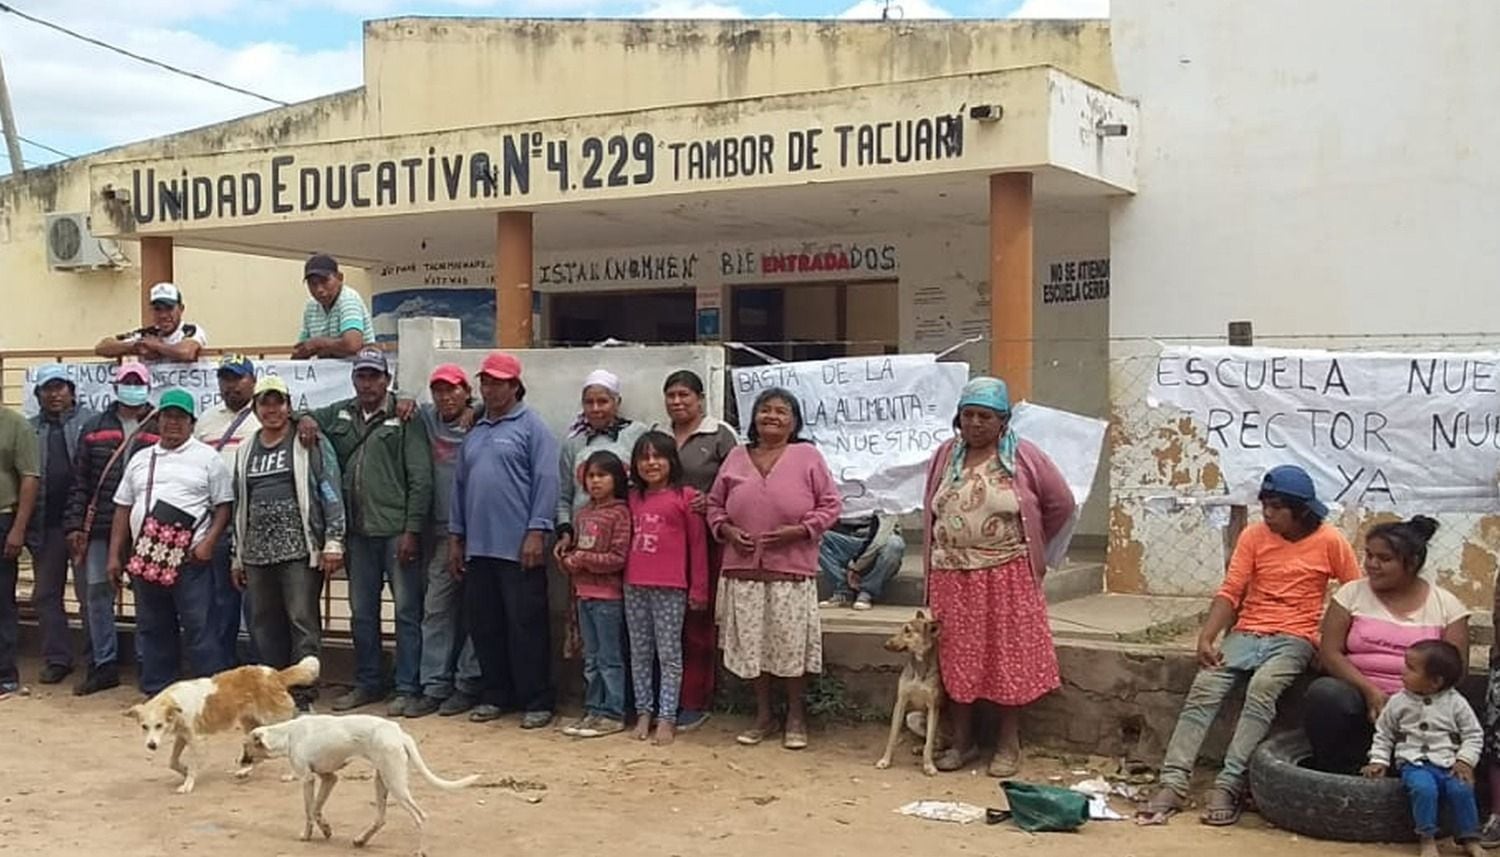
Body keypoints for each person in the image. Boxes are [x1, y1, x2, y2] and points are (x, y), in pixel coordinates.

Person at [1136, 464, 1360, 826]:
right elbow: (1231, 590)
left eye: (1275, 507)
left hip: (1295, 637)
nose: (1267, 514)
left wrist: (1332, 647)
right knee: (1205, 687)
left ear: (1299, 510)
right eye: (1264, 506)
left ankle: (1229, 783)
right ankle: (1173, 783)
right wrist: (1207, 636)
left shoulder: (1331, 541)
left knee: (1263, 688)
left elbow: (1353, 596)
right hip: (1247, 632)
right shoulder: (1254, 536)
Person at [922, 376, 1075, 777]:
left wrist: (1033, 543)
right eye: (967, 415)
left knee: (1008, 657)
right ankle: (963, 740)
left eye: (984, 417)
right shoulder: (945, 456)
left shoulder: (1024, 456)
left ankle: (1008, 743)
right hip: (951, 576)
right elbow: (931, 507)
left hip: (1006, 574)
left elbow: (1061, 503)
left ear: (1003, 421)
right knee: (956, 658)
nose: (975, 423)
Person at [707, 387, 842, 751]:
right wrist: (728, 531)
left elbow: (831, 506)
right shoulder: (736, 456)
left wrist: (801, 530)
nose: (772, 417)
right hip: (744, 569)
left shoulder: (807, 456)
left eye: (782, 412)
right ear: (753, 418)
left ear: (794, 422)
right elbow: (715, 505)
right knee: (755, 647)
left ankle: (796, 716)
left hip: (791, 569)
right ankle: (764, 716)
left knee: (789, 645)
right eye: (765, 410)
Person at [299, 347, 431, 715]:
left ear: (387, 380)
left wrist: (412, 529)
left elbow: (420, 476)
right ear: (354, 379)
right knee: (361, 613)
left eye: (375, 376)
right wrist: (308, 418)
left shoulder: (405, 416)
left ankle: (408, 686)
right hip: (357, 533)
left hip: (395, 531)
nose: (368, 383)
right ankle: (369, 681)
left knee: (406, 611)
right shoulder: (341, 412)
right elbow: (299, 414)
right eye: (362, 376)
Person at [1303, 516, 1468, 774]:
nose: (1372, 565)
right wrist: (1370, 691)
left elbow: (1453, 671)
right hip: (1358, 699)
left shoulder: (1447, 607)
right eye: (1369, 555)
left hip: (1420, 708)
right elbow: (1330, 652)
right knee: (1325, 693)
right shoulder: (1351, 595)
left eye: (1384, 559)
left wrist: (1408, 701)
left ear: (1412, 563)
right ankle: (1335, 775)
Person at [450, 351, 560, 729]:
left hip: (519, 548)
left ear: (515, 386)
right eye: (485, 382)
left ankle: (537, 699)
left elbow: (547, 482)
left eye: (498, 382)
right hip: (479, 547)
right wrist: (456, 536)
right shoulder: (476, 430)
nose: (490, 388)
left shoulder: (533, 428)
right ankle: (496, 694)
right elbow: (460, 487)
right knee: (485, 625)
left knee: (526, 625)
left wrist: (536, 531)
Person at [108, 388, 233, 696]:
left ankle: (209, 693)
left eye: (180, 417)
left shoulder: (207, 458)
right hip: (147, 556)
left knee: (199, 624)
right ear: (158, 420)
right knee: (152, 624)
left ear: (191, 422)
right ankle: (158, 689)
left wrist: (208, 544)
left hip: (190, 559)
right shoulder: (140, 458)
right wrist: (115, 554)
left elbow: (224, 507)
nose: (173, 423)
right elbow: (123, 507)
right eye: (167, 416)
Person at [231, 376, 345, 711]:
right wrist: (237, 557)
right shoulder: (245, 449)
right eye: (265, 403)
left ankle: (303, 696)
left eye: (278, 402)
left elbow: (329, 487)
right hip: (256, 553)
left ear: (289, 406)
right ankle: (272, 695)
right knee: (264, 625)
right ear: (255, 408)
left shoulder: (308, 440)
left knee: (302, 621)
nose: (271, 409)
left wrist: (333, 539)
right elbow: (240, 504)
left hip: (299, 549)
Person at [63, 363, 158, 695]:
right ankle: (103, 665)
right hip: (101, 526)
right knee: (97, 594)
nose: (132, 386)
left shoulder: (161, 425)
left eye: (138, 382)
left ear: (147, 386)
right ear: (116, 386)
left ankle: (150, 663)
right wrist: (75, 524)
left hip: (148, 527)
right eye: (126, 381)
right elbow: (80, 484)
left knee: (148, 596)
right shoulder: (94, 427)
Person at [656, 369, 738, 731]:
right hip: (663, 542)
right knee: (663, 622)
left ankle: (695, 700)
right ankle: (663, 699)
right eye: (671, 395)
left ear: (700, 398)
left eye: (684, 395)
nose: (677, 402)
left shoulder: (719, 435)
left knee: (697, 619)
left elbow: (738, 482)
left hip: (704, 540)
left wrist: (715, 503)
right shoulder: (657, 435)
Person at [402, 364, 483, 719]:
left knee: (478, 613)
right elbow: (397, 402)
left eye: (452, 390)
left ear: (467, 391)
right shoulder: (427, 420)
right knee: (436, 610)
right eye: (439, 390)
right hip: (440, 532)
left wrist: (475, 410)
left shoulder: (481, 420)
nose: (446, 397)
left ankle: (468, 684)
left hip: (482, 533)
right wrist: (405, 399)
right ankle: (434, 685)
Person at [624, 432, 709, 746]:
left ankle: (667, 716)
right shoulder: (632, 498)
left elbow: (698, 548)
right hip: (634, 585)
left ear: (672, 461)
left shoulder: (686, 498)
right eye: (644, 457)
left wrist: (699, 589)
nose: (651, 463)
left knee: (670, 654)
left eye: (658, 456)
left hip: (672, 587)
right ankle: (644, 711)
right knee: (640, 653)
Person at [1363, 640, 1484, 857]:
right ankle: (1427, 838)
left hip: (1449, 763)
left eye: (1411, 668)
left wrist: (1465, 760)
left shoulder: (1456, 703)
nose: (1403, 671)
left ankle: (1470, 838)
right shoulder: (1398, 702)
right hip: (1414, 763)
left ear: (1435, 682)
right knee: (1424, 789)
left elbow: (1473, 734)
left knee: (1462, 789)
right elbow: (1384, 733)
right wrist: (1379, 761)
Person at [25, 365, 95, 686]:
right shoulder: (30, 429)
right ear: (38, 395)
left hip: (83, 526)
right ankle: (58, 658)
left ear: (71, 390)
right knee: (47, 594)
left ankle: (97, 658)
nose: (54, 395)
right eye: (47, 389)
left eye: (60, 388)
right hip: (45, 525)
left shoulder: (91, 422)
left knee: (88, 593)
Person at [556, 451, 631, 739]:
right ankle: (594, 709)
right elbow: (577, 551)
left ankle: (613, 712)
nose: (596, 481)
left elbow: (618, 557)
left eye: (602, 475)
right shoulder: (583, 514)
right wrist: (568, 559)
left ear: (616, 479)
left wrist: (584, 559)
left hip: (608, 597)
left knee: (609, 657)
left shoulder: (620, 513)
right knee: (591, 656)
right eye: (591, 476)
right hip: (582, 595)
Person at [195, 354, 261, 668]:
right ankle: (222, 667)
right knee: (221, 600)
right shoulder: (206, 420)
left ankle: (258, 667)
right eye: (225, 379)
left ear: (253, 381)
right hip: (217, 521)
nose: (231, 386)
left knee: (257, 601)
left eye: (237, 378)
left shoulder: (266, 416)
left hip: (255, 522)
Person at [0, 398, 40, 699]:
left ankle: (5, 674)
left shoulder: (16, 425)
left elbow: (29, 478)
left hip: (3, 519)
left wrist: (18, 529)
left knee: (2, 600)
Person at [94, 283, 207, 363]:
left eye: (169, 308)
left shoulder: (190, 330)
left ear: (181, 309)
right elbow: (102, 347)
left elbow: (186, 352)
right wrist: (136, 346)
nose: (163, 315)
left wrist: (156, 346)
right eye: (158, 309)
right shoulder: (146, 335)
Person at [818, 512, 905, 611]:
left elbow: (878, 541)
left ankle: (867, 592)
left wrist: (855, 566)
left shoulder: (885, 501)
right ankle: (842, 591)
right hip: (845, 539)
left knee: (894, 545)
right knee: (815, 536)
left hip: (875, 542)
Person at [292, 254, 371, 359]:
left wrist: (319, 343)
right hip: (328, 372)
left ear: (340, 278)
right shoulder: (311, 306)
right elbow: (301, 349)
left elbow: (353, 345)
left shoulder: (349, 298)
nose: (319, 289)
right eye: (312, 284)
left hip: (360, 372)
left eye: (324, 281)